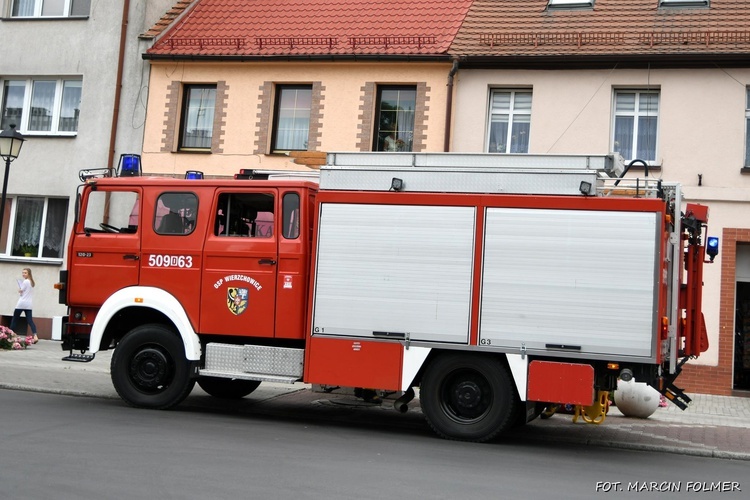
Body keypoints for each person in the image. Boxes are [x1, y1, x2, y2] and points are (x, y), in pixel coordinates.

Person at [10, 268, 37, 344]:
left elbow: (21, 292)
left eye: (25, 273)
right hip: (29, 304)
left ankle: (10, 335)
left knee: (15, 319)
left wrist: (19, 290)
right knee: (30, 320)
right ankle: (35, 335)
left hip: (21, 303)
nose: (23, 274)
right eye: (23, 273)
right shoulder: (32, 282)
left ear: (29, 274)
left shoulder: (25, 282)